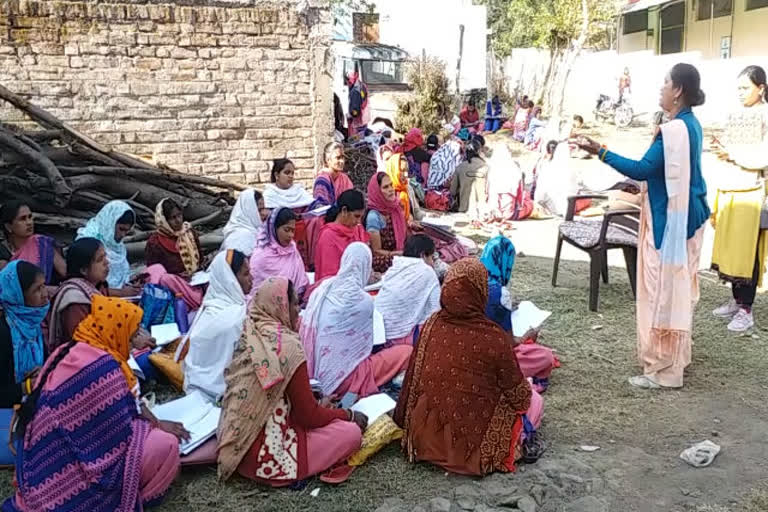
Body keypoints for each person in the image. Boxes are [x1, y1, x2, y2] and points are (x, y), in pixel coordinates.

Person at [575, 63, 710, 389]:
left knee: (660, 294)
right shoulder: (691, 125)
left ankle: (662, 370)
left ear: (678, 90)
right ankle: (675, 360)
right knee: (675, 292)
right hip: (688, 219)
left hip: (670, 224)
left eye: (665, 83)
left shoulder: (675, 130)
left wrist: (600, 150)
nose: (660, 88)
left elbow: (643, 168)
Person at [4, 296, 183, 511]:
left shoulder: (73, 350)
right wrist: (155, 425)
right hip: (78, 474)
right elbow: (121, 435)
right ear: (116, 330)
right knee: (166, 445)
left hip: (44, 466)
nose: (133, 342)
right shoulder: (104, 369)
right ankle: (134, 496)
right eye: (131, 334)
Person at [394, 259, 543, 476]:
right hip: (471, 449)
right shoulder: (493, 336)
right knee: (535, 401)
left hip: (422, 439)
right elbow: (519, 398)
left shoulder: (431, 325)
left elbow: (411, 382)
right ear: (480, 292)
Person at [217, 277, 367, 484]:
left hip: (237, 447)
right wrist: (347, 414)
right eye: (294, 304)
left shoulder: (250, 333)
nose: (298, 310)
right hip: (267, 458)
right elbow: (308, 417)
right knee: (350, 434)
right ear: (281, 306)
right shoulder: (288, 346)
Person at [301, 243, 412, 398]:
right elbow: (368, 344)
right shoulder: (363, 301)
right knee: (406, 352)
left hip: (313, 374)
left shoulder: (322, 289)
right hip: (347, 378)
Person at [710, 65, 768, 332]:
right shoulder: (736, 115)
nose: (740, 93)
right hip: (730, 185)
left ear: (761, 88)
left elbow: (763, 156)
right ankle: (735, 300)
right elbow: (731, 147)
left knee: (747, 251)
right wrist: (721, 149)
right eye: (738, 88)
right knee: (730, 247)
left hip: (753, 191)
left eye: (745, 88)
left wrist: (731, 153)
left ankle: (746, 309)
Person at [480, 235, 558, 389]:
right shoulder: (499, 293)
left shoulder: (467, 280)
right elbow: (509, 344)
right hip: (488, 360)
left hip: (459, 355)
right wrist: (526, 337)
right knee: (545, 356)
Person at [183, 250, 252, 402]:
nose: (251, 279)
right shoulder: (237, 318)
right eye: (246, 274)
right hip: (223, 388)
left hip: (196, 383)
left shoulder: (209, 305)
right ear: (230, 279)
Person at [44, 237, 109, 353]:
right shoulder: (75, 300)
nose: (107, 262)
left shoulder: (98, 287)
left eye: (105, 257)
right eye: (100, 259)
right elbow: (82, 343)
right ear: (84, 270)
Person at [374, 235, 440, 346]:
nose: (433, 263)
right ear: (423, 255)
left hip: (378, 331)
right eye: (432, 258)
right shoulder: (427, 271)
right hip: (398, 335)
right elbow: (435, 311)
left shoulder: (395, 267)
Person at [0, 262, 48, 410]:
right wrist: (26, 387)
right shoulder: (4, 332)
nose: (45, 293)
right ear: (18, 296)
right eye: (37, 289)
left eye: (44, 285)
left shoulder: (32, 324)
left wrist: (44, 371)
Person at [144, 198, 204, 310]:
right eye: (173, 218)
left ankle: (196, 297)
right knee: (167, 279)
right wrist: (179, 276)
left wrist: (194, 273)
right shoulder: (155, 242)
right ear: (164, 220)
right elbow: (154, 273)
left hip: (194, 281)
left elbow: (200, 259)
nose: (178, 221)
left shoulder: (189, 233)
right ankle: (195, 300)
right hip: (173, 287)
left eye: (179, 215)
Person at [76, 200, 143, 296]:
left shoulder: (117, 246)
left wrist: (129, 282)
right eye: (121, 229)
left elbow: (121, 273)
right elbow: (86, 286)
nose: (123, 235)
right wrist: (121, 293)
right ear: (110, 222)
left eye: (126, 231)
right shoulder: (87, 242)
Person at [263, 159, 318, 264]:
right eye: (287, 173)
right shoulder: (269, 195)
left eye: (292, 173)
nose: (291, 176)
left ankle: (312, 262)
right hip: (283, 235)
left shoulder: (298, 191)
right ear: (277, 175)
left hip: (304, 232)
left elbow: (313, 205)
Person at [249, 207, 310, 300]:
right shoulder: (261, 256)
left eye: (293, 230)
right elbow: (255, 292)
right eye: (286, 230)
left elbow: (300, 280)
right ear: (274, 228)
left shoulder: (292, 249)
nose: (291, 235)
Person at [0, 201, 65, 284]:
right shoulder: (3, 252)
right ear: (8, 226)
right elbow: (7, 284)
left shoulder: (42, 243)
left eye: (30, 217)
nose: (29, 222)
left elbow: (65, 272)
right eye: (23, 219)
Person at [313, 189, 370, 281]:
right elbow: (329, 276)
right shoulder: (328, 236)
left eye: (361, 217)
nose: (358, 221)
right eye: (356, 216)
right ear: (344, 211)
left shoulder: (357, 229)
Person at [366, 173, 407, 273]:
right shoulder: (373, 217)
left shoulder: (394, 208)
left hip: (398, 253)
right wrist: (396, 254)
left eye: (391, 185)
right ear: (377, 192)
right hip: (384, 258)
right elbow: (376, 251)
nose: (391, 189)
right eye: (385, 187)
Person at [451, 135, 489, 218]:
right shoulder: (486, 167)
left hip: (463, 209)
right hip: (483, 211)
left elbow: (452, 191)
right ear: (479, 151)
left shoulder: (460, 167)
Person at [220, 189, 267, 256]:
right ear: (248, 211)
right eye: (259, 210)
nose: (264, 213)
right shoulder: (240, 238)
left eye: (264, 208)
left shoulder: (254, 230)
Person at [313, 142, 355, 207]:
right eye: (338, 158)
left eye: (343, 157)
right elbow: (320, 207)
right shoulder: (322, 180)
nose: (342, 161)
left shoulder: (344, 179)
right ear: (328, 160)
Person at [346, 70, 370, 139]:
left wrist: (351, 116)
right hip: (364, 119)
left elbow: (355, 109)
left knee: (356, 142)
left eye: (348, 80)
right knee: (363, 139)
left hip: (357, 122)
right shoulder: (362, 85)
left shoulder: (355, 91)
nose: (347, 82)